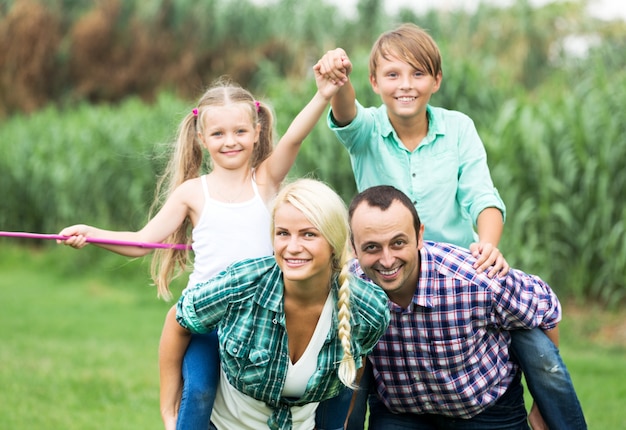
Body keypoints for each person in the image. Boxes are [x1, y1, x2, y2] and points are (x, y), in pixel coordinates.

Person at [315, 23, 586, 429]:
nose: (405, 85)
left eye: (418, 73)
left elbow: (482, 196)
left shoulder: (458, 128)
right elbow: (345, 110)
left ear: (436, 80)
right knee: (354, 369)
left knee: (530, 335)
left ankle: (547, 417)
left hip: (461, 282)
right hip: (385, 274)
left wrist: (488, 247)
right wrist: (338, 78)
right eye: (392, 75)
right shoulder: (367, 131)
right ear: (373, 81)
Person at [57, 76, 343, 429]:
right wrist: (92, 234)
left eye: (240, 131)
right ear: (201, 138)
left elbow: (295, 137)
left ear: (257, 131)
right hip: (207, 320)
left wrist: (322, 94)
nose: (230, 141)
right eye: (219, 134)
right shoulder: (192, 193)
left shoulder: (266, 180)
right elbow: (143, 241)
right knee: (201, 391)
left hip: (260, 319)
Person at [347, 185, 584, 429]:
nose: (387, 260)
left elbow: (546, 307)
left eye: (398, 243)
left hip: (486, 410)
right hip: (401, 413)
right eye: (372, 247)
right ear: (353, 248)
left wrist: (542, 402)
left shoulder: (475, 280)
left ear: (419, 236)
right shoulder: (349, 289)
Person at [162, 178, 390, 430]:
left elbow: (354, 367)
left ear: (334, 242)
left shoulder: (368, 309)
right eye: (283, 233)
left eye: (308, 234)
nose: (292, 247)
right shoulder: (243, 284)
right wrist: (168, 410)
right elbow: (178, 318)